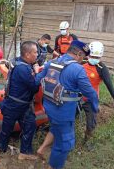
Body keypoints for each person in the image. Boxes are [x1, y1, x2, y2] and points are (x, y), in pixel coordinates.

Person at [35, 40, 99, 169]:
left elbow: (37, 80)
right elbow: (90, 93)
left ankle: (41, 149)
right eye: (83, 57)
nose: (82, 60)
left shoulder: (52, 62)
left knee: (55, 128)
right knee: (65, 142)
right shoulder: (78, 69)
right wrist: (95, 107)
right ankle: (53, 166)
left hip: (48, 106)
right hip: (63, 112)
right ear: (79, 53)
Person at [0, 41, 40, 160]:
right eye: (35, 52)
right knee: (8, 128)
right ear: (27, 54)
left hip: (15, 103)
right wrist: (36, 72)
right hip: (16, 104)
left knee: (29, 126)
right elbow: (34, 87)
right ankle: (1, 149)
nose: (37, 54)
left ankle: (22, 152)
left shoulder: (16, 61)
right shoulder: (23, 69)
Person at [81, 41, 114, 142]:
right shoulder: (82, 62)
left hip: (90, 99)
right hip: (76, 96)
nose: (94, 59)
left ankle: (87, 140)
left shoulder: (102, 68)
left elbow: (110, 86)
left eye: (97, 58)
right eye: (92, 56)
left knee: (91, 123)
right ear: (88, 54)